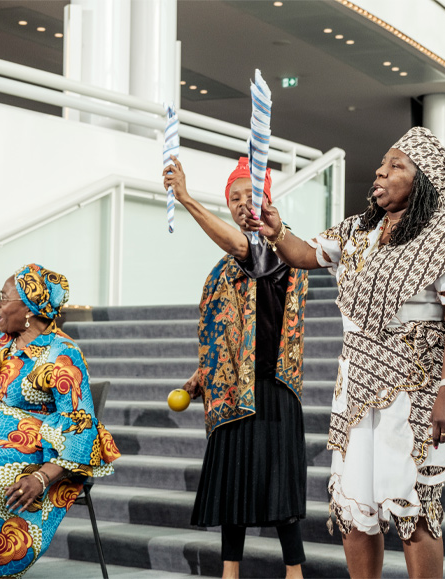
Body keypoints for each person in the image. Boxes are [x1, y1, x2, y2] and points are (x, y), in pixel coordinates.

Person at [250, 127, 445, 579]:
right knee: (353, 507)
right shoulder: (359, 229)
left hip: (417, 388)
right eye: (383, 164)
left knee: (414, 508)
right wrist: (277, 231)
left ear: (422, 180)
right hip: (356, 388)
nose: (380, 172)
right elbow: (307, 254)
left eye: (396, 166)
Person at [163, 157, 308, 579]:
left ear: (268, 200)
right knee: (233, 491)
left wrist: (186, 198)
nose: (244, 204)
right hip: (231, 392)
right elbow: (225, 334)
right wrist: (203, 375)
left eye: (253, 195)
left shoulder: (279, 248)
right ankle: (230, 574)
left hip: (271, 387)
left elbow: (243, 246)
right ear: (228, 206)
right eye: (235, 197)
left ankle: (294, 574)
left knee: (278, 495)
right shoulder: (221, 271)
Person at [0, 264, 120, 578]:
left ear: (29, 308)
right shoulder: (1, 342)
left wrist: (42, 478)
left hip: (27, 450)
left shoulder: (63, 354)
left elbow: (80, 427)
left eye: (3, 298)